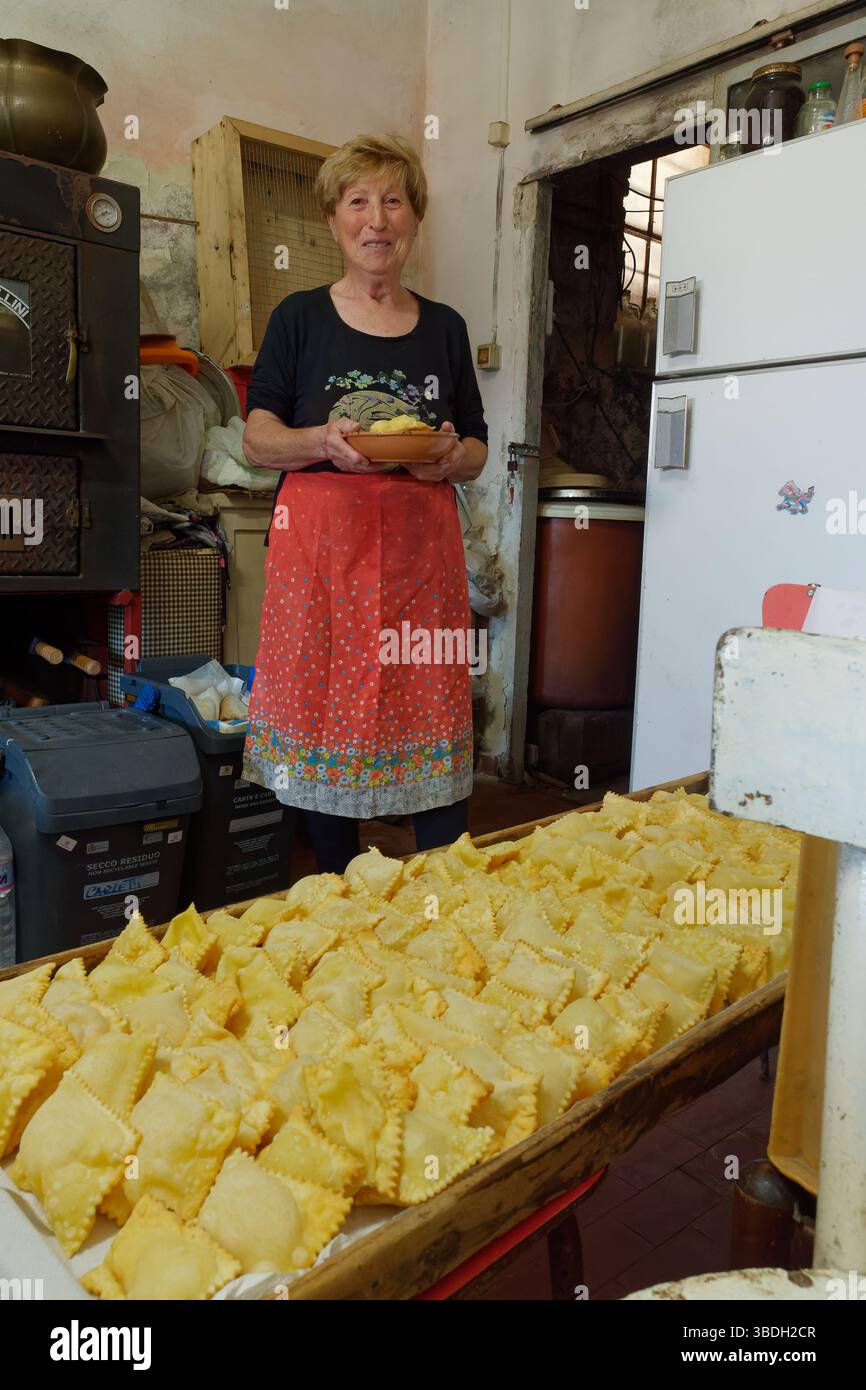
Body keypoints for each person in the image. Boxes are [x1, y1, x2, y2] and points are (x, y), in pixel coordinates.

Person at [241, 132, 488, 873]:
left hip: (422, 559)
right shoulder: (299, 318)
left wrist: (445, 458)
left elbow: (475, 447)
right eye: (358, 202)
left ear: (414, 220)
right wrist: (323, 440)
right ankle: (340, 878)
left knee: (430, 687)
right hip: (322, 556)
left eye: (393, 200)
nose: (377, 218)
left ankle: (446, 879)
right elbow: (258, 439)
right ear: (334, 221)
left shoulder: (444, 327)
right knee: (323, 696)